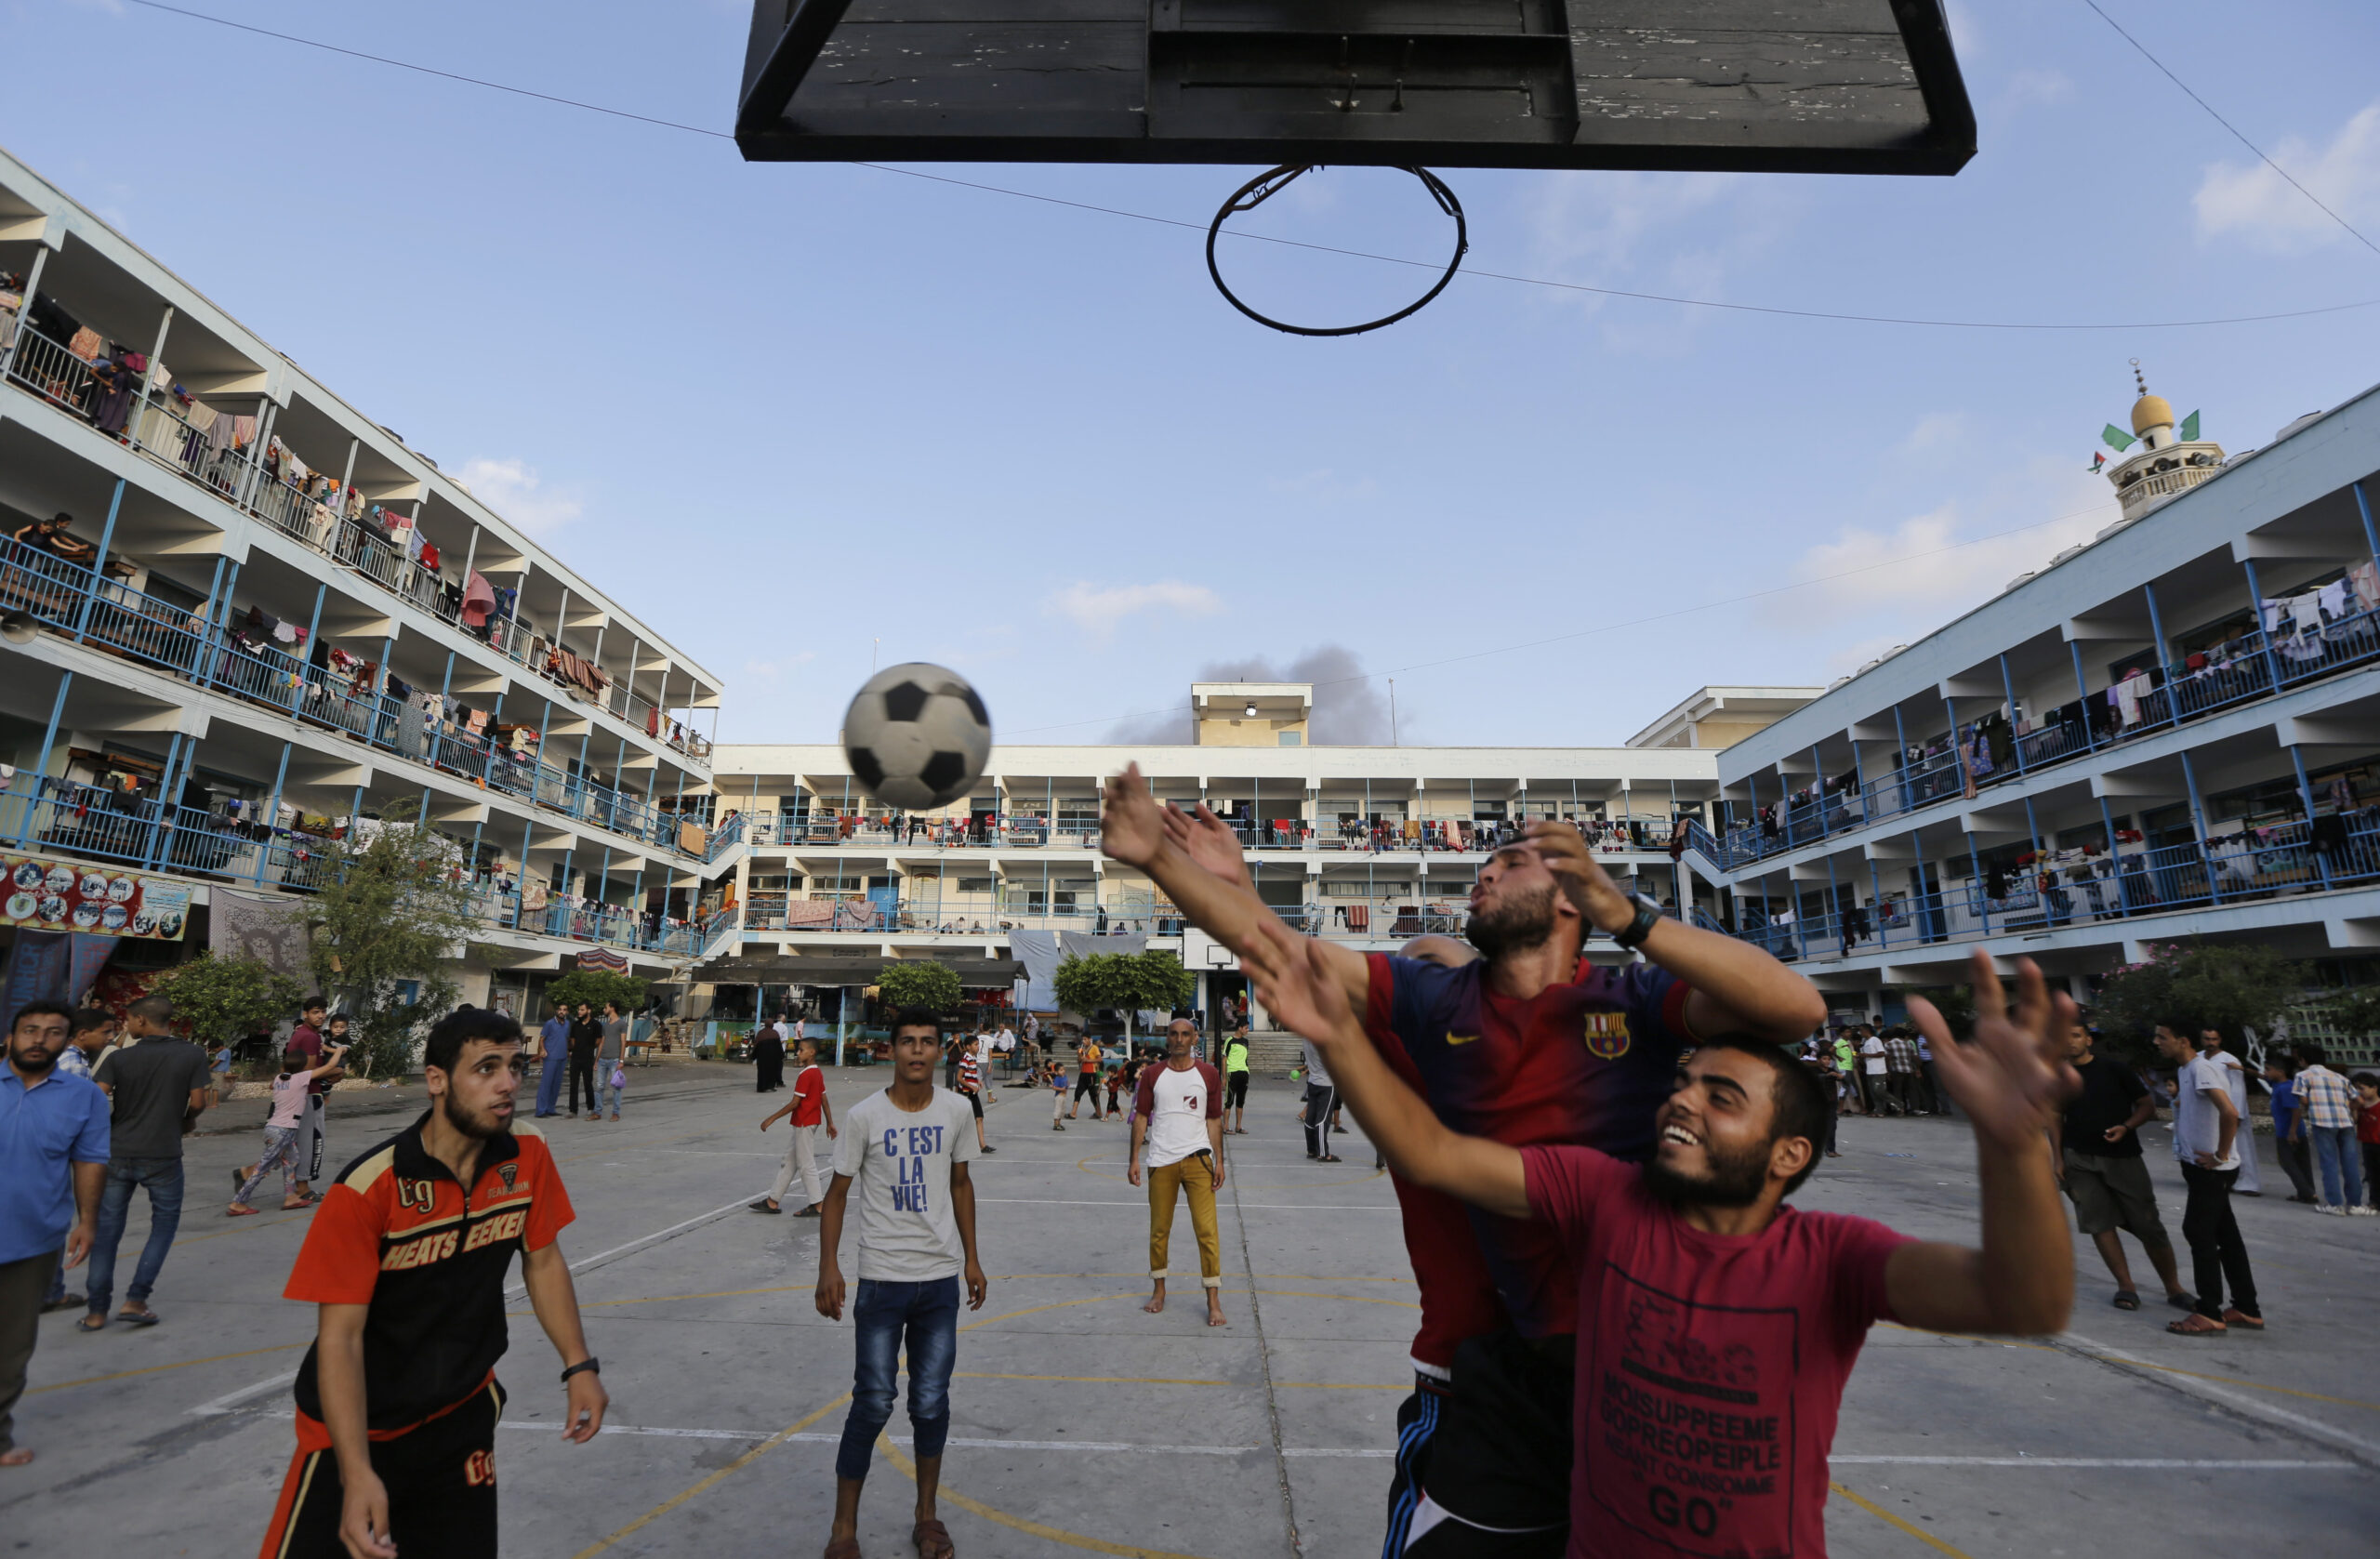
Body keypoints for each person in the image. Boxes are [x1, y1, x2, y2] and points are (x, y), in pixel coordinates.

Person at [1102, 764, 1824, 1557]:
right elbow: (1291, 960)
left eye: (1509, 861)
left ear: (1570, 898)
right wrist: (1167, 862)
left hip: (1633, 1377)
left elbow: (1796, 1007)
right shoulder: (1436, 1014)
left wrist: (1628, 913)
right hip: (1488, 1381)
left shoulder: (1629, 1003)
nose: (1483, 872)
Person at [1241, 925, 2077, 1559]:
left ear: (1791, 1153)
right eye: (1682, 1082)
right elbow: (1429, 1150)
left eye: (1721, 1096)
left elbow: (2024, 1300)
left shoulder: (1829, 1257)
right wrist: (1339, 1030)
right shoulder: (1609, 1202)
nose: (1683, 1100)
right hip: (1493, 1408)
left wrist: (2013, 1149)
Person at [255, 1008, 608, 1557]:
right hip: (360, 1431)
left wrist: (578, 1364)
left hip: (462, 1416)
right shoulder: (368, 1188)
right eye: (486, 1068)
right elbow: (341, 1338)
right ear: (437, 1080)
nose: (508, 1084)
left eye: (515, 1067)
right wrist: (356, 1472)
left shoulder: (528, 1151)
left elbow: (542, 1261)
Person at [814, 1010, 987, 1559]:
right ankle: (844, 1528)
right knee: (872, 1401)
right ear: (891, 1050)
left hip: (938, 1282)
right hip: (881, 1282)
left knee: (931, 1403)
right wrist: (828, 1266)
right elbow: (836, 1195)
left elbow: (961, 1184)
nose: (917, 1050)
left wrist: (972, 1259)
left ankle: (926, 1516)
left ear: (940, 1051)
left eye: (927, 1042)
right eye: (907, 1042)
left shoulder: (957, 1110)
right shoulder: (864, 1116)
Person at [1, 1001, 109, 1468]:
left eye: (52, 1032)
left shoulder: (83, 1096)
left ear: (66, 1041)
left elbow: (90, 1159)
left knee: (11, 1346)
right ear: (11, 1037)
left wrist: (87, 1221)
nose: (39, 1040)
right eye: (30, 1030)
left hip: (33, 1240)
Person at [84, 994, 210, 1331]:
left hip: (117, 1151)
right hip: (163, 1154)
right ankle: (136, 1300)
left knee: (107, 1231)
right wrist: (185, 1120)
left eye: (127, 1020)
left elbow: (95, 1097)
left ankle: (96, 1312)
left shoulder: (119, 1058)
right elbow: (199, 1101)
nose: (125, 1026)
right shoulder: (192, 1054)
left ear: (141, 1020)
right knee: (163, 1226)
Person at [2052, 1016, 2190, 1313]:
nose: (2069, 1041)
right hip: (2079, 1159)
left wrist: (2126, 1127)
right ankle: (2126, 1286)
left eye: (2076, 1035)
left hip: (2123, 1157)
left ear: (2088, 1039)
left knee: (2148, 1225)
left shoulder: (2114, 1069)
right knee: (2099, 1224)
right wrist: (2058, 1158)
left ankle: (2174, 1288)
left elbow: (2146, 1105)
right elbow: (2054, 1117)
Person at [2152, 1024, 2262, 1336]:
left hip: (2212, 1171)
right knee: (2226, 1235)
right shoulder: (2187, 1069)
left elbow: (2229, 1113)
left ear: (2183, 1040)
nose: (2156, 1042)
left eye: (2162, 1037)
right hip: (2199, 1168)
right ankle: (2246, 1308)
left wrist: (2220, 1155)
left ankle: (2209, 1311)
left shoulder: (2202, 1069)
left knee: (2198, 1231)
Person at [1129, 1016, 1227, 1326]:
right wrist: (1134, 1159)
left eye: (1186, 1034)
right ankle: (1159, 1290)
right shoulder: (1153, 1074)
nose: (1180, 1039)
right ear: (1167, 1038)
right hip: (1161, 1161)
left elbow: (1214, 1120)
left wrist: (1219, 1161)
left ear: (1195, 1038)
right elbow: (1141, 1116)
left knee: (1207, 1232)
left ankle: (1213, 1298)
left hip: (1199, 1160)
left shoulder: (1208, 1074)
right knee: (1159, 1231)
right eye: (1174, 1034)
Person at [41, 1009, 118, 1314]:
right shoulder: (74, 1066)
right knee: (52, 1222)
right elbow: (71, 1120)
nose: (110, 1038)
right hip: (53, 1157)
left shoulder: (59, 1059)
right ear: (83, 1034)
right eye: (106, 1031)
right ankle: (50, 1292)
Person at [231, 1041, 350, 1215]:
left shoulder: (279, 1079)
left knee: (292, 1160)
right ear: (302, 1067)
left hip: (275, 1127)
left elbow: (273, 1085)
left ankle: (291, 1197)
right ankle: (238, 1203)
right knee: (263, 1167)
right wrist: (339, 1050)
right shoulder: (301, 1078)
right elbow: (330, 1066)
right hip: (284, 1130)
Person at [754, 1037, 839, 1215]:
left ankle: (818, 1204)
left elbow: (795, 1103)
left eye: (801, 1050)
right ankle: (772, 1201)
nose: (798, 1053)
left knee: (806, 1164)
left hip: (804, 1122)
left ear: (812, 1053)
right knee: (789, 1161)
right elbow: (823, 1098)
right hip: (808, 1122)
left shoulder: (806, 1074)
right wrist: (830, 1122)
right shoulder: (817, 1073)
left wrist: (771, 1118)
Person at [2290, 1044, 2368, 1215]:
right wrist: (2346, 1107)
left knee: (2329, 1163)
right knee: (2350, 1163)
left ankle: (2335, 1204)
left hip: (2322, 1122)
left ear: (2303, 1060)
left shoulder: (2302, 1076)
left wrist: (2315, 1105)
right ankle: (2355, 1204)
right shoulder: (2339, 1077)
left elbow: (2302, 1100)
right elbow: (2360, 1101)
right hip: (2345, 1122)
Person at [2200, 1028, 2259, 1196]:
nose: (2211, 1043)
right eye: (2207, 1039)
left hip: (2231, 1110)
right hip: (2209, 1111)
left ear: (2220, 1040)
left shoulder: (2229, 1060)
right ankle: (2217, 1179)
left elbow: (2238, 1089)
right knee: (2212, 1145)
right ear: (2201, 1039)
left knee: (2241, 1147)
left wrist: (2237, 1114)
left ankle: (2248, 1183)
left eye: (2214, 1039)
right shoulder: (2197, 1058)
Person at [2264, 1055, 2317, 1204]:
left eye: (2268, 1069)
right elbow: (2262, 1076)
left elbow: (2296, 1110)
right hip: (2290, 1131)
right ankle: (2307, 1192)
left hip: (2288, 1132)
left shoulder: (2286, 1088)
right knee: (2301, 1163)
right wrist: (2242, 1069)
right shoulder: (2277, 1084)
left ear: (2281, 1072)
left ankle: (2307, 1193)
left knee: (2287, 1163)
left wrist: (2292, 1132)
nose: (2265, 1072)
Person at [954, 1032, 995, 1154]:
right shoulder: (965, 1059)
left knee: (979, 1117)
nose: (978, 1047)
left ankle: (982, 1145)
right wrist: (971, 1086)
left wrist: (978, 1081)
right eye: (976, 1044)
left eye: (978, 1044)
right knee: (962, 1121)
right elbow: (959, 1078)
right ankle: (955, 1145)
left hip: (972, 1093)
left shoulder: (973, 1058)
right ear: (968, 1047)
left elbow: (971, 1074)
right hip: (965, 1093)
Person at [1301, 1037, 1339, 1162]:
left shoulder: (1306, 1039)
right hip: (1326, 1084)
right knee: (1322, 1120)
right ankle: (1323, 1154)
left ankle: (1312, 1150)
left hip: (1312, 1082)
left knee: (1310, 1118)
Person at [535, 1001, 571, 1117]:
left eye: (564, 1010)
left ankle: (551, 1109)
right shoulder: (549, 1023)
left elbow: (566, 1039)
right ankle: (540, 1111)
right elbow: (542, 1039)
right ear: (556, 1011)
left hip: (562, 1058)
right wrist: (542, 1050)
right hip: (551, 1057)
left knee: (556, 1085)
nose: (562, 1012)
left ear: (567, 1012)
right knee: (546, 1084)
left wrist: (568, 1052)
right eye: (560, 1009)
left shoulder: (567, 1024)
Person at [567, 1002, 602, 1121]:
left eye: (582, 1010)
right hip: (575, 1058)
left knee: (588, 1084)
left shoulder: (596, 1024)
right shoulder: (575, 1024)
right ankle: (573, 1110)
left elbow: (598, 1040)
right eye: (579, 1010)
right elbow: (572, 1040)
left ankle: (590, 1108)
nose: (579, 1012)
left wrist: (589, 1048)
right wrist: (575, 1049)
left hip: (587, 1058)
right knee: (573, 1084)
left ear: (589, 1011)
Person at [1882, 1026, 1925, 1116]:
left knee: (1898, 1091)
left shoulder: (1888, 1044)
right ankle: (1915, 1109)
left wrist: (1888, 1071)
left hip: (1896, 1070)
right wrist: (1918, 1068)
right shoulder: (1908, 1044)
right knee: (1912, 1090)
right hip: (1909, 1070)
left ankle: (1900, 1110)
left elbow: (1887, 1058)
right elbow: (1915, 1057)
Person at [597, 1002, 628, 1120]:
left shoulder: (622, 1024)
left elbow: (623, 1042)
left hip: (614, 1060)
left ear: (612, 1008)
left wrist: (621, 1060)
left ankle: (615, 1113)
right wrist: (596, 1060)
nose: (604, 1009)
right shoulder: (605, 1025)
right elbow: (602, 1042)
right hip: (602, 1059)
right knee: (599, 1087)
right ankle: (597, 1112)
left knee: (616, 1088)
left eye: (606, 1007)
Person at [1220, 1022, 1252, 1134]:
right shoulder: (1230, 1040)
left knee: (1240, 1101)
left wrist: (1247, 1071)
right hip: (1232, 1073)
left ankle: (1238, 1126)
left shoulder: (1246, 1042)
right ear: (1240, 1028)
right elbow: (1224, 1060)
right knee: (1229, 1101)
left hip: (1244, 1073)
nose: (1247, 1030)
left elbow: (1245, 1058)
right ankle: (1226, 1127)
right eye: (1246, 1028)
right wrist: (1224, 1077)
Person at [2355, 1072, 2380, 1211]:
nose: (2359, 1092)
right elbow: (2354, 1120)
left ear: (2374, 1088)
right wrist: (2354, 1108)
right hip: (2367, 1143)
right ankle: (2374, 1201)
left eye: (2362, 1088)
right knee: (2372, 1174)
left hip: (2378, 1143)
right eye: (2357, 1089)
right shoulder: (2360, 1105)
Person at [1859, 1026, 1896, 1116]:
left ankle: (1898, 1104)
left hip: (1878, 1070)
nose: (1860, 1033)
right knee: (1873, 1092)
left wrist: (1867, 1055)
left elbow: (1882, 1053)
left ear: (1866, 1030)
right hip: (1870, 1070)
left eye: (1861, 1030)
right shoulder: (1866, 1042)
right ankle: (1879, 1110)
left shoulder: (1875, 1040)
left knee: (1879, 1090)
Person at [1069, 1035, 1105, 1121]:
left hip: (1091, 1074)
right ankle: (1073, 1113)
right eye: (1083, 1039)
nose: (1083, 1041)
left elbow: (1099, 1059)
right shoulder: (1082, 1049)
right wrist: (1079, 1055)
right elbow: (1079, 1061)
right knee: (1078, 1092)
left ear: (1090, 1039)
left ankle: (1099, 1113)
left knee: (1093, 1095)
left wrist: (1088, 1060)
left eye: (1085, 1039)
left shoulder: (1094, 1048)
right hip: (1083, 1073)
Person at [752, 1017, 786, 1093]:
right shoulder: (775, 1033)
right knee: (772, 1072)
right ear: (772, 1025)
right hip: (773, 1058)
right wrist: (781, 1056)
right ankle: (770, 1086)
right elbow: (779, 1046)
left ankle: (761, 1088)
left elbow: (756, 1045)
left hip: (762, 1058)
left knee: (761, 1072)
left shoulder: (760, 1033)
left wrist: (754, 1056)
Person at [1048, 1059, 1069, 1131]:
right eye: (1061, 1070)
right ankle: (1056, 1125)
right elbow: (1054, 1087)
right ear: (1056, 1072)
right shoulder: (1057, 1078)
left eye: (1063, 1069)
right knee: (1058, 1110)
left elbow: (1066, 1082)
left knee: (1062, 1110)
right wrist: (1061, 1089)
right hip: (1059, 1096)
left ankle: (1059, 1124)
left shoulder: (1065, 1076)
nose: (1063, 1071)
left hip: (1064, 1096)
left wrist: (1068, 1084)